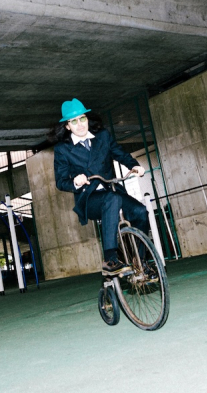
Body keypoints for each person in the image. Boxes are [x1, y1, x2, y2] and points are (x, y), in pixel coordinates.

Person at [52, 98, 150, 276]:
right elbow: (60, 181)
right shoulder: (62, 149)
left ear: (87, 119)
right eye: (74, 121)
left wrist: (134, 165)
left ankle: (140, 261)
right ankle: (110, 259)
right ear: (67, 126)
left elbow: (119, 153)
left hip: (112, 190)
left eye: (82, 119)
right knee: (111, 200)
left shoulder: (103, 136)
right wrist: (75, 180)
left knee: (140, 211)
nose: (80, 125)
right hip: (89, 199)